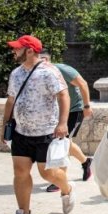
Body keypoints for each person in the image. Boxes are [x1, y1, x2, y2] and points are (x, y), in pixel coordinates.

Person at [3, 35, 75, 214]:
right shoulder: (16, 73)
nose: (13, 51)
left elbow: (64, 95)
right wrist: (5, 126)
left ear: (29, 51)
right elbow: (11, 100)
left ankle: (67, 189)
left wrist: (62, 123)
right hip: (21, 132)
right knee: (20, 172)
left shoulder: (49, 72)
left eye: (17, 48)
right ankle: (23, 213)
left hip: (46, 132)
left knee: (48, 174)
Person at [39, 50, 94, 192]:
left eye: (42, 59)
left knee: (62, 142)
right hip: (57, 112)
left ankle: (60, 180)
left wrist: (87, 106)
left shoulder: (62, 69)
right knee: (65, 142)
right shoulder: (38, 74)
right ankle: (86, 162)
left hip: (74, 109)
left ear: (48, 60)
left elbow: (82, 84)